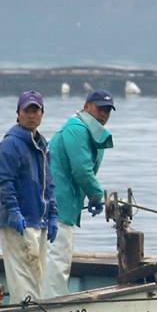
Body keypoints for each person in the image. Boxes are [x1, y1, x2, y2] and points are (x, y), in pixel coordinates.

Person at [44, 90, 115, 297]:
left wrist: (91, 194)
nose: (103, 114)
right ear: (86, 106)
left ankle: (51, 298)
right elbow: (82, 169)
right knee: (57, 258)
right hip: (56, 205)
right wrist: (96, 195)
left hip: (65, 205)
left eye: (107, 111)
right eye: (99, 108)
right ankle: (53, 304)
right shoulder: (76, 128)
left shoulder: (90, 131)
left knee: (59, 257)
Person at [0, 91, 58, 302]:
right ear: (18, 114)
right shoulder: (10, 144)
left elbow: (48, 183)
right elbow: (4, 181)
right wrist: (13, 211)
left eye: (35, 111)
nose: (31, 115)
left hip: (38, 219)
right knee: (23, 273)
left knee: (38, 271)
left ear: (42, 114)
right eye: (27, 111)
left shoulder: (41, 145)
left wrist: (53, 215)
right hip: (18, 221)